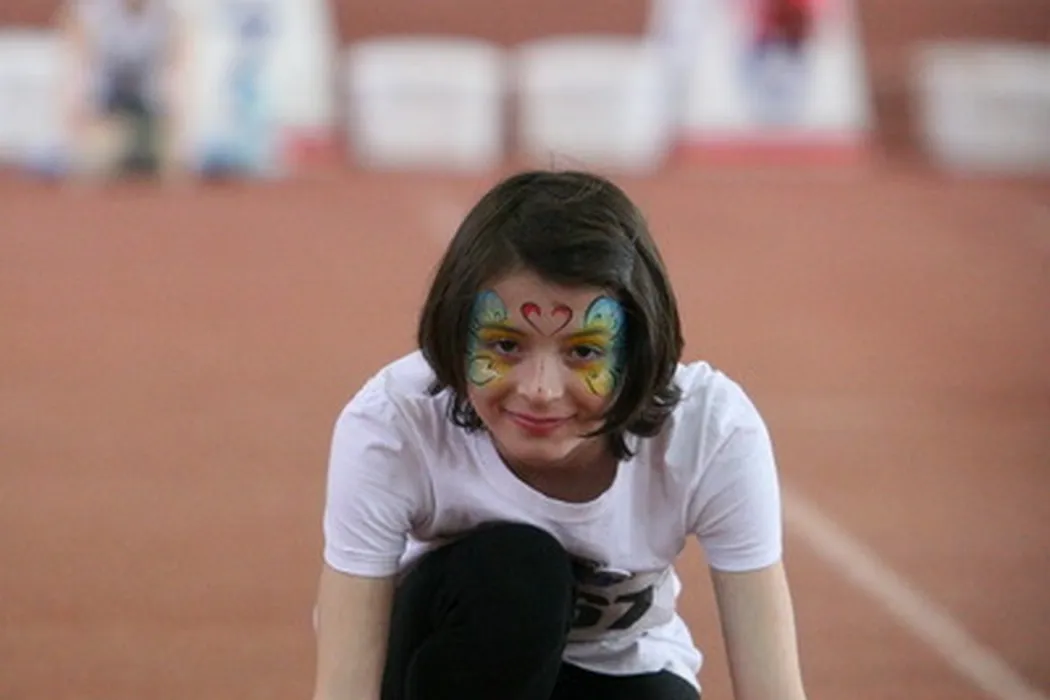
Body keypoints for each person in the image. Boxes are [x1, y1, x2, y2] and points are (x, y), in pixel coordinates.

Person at [312, 169, 809, 700]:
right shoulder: (394, 424)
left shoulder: (708, 431)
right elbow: (345, 688)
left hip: (618, 667)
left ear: (637, 350)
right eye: (506, 345)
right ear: (455, 334)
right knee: (519, 573)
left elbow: (772, 690)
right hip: (438, 665)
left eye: (584, 351)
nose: (541, 390)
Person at [56, 0, 188, 179]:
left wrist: (173, 120)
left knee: (173, 161)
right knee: (93, 161)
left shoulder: (170, 16)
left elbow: (176, 75)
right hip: (106, 105)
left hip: (149, 105)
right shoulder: (92, 14)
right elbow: (79, 71)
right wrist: (81, 111)